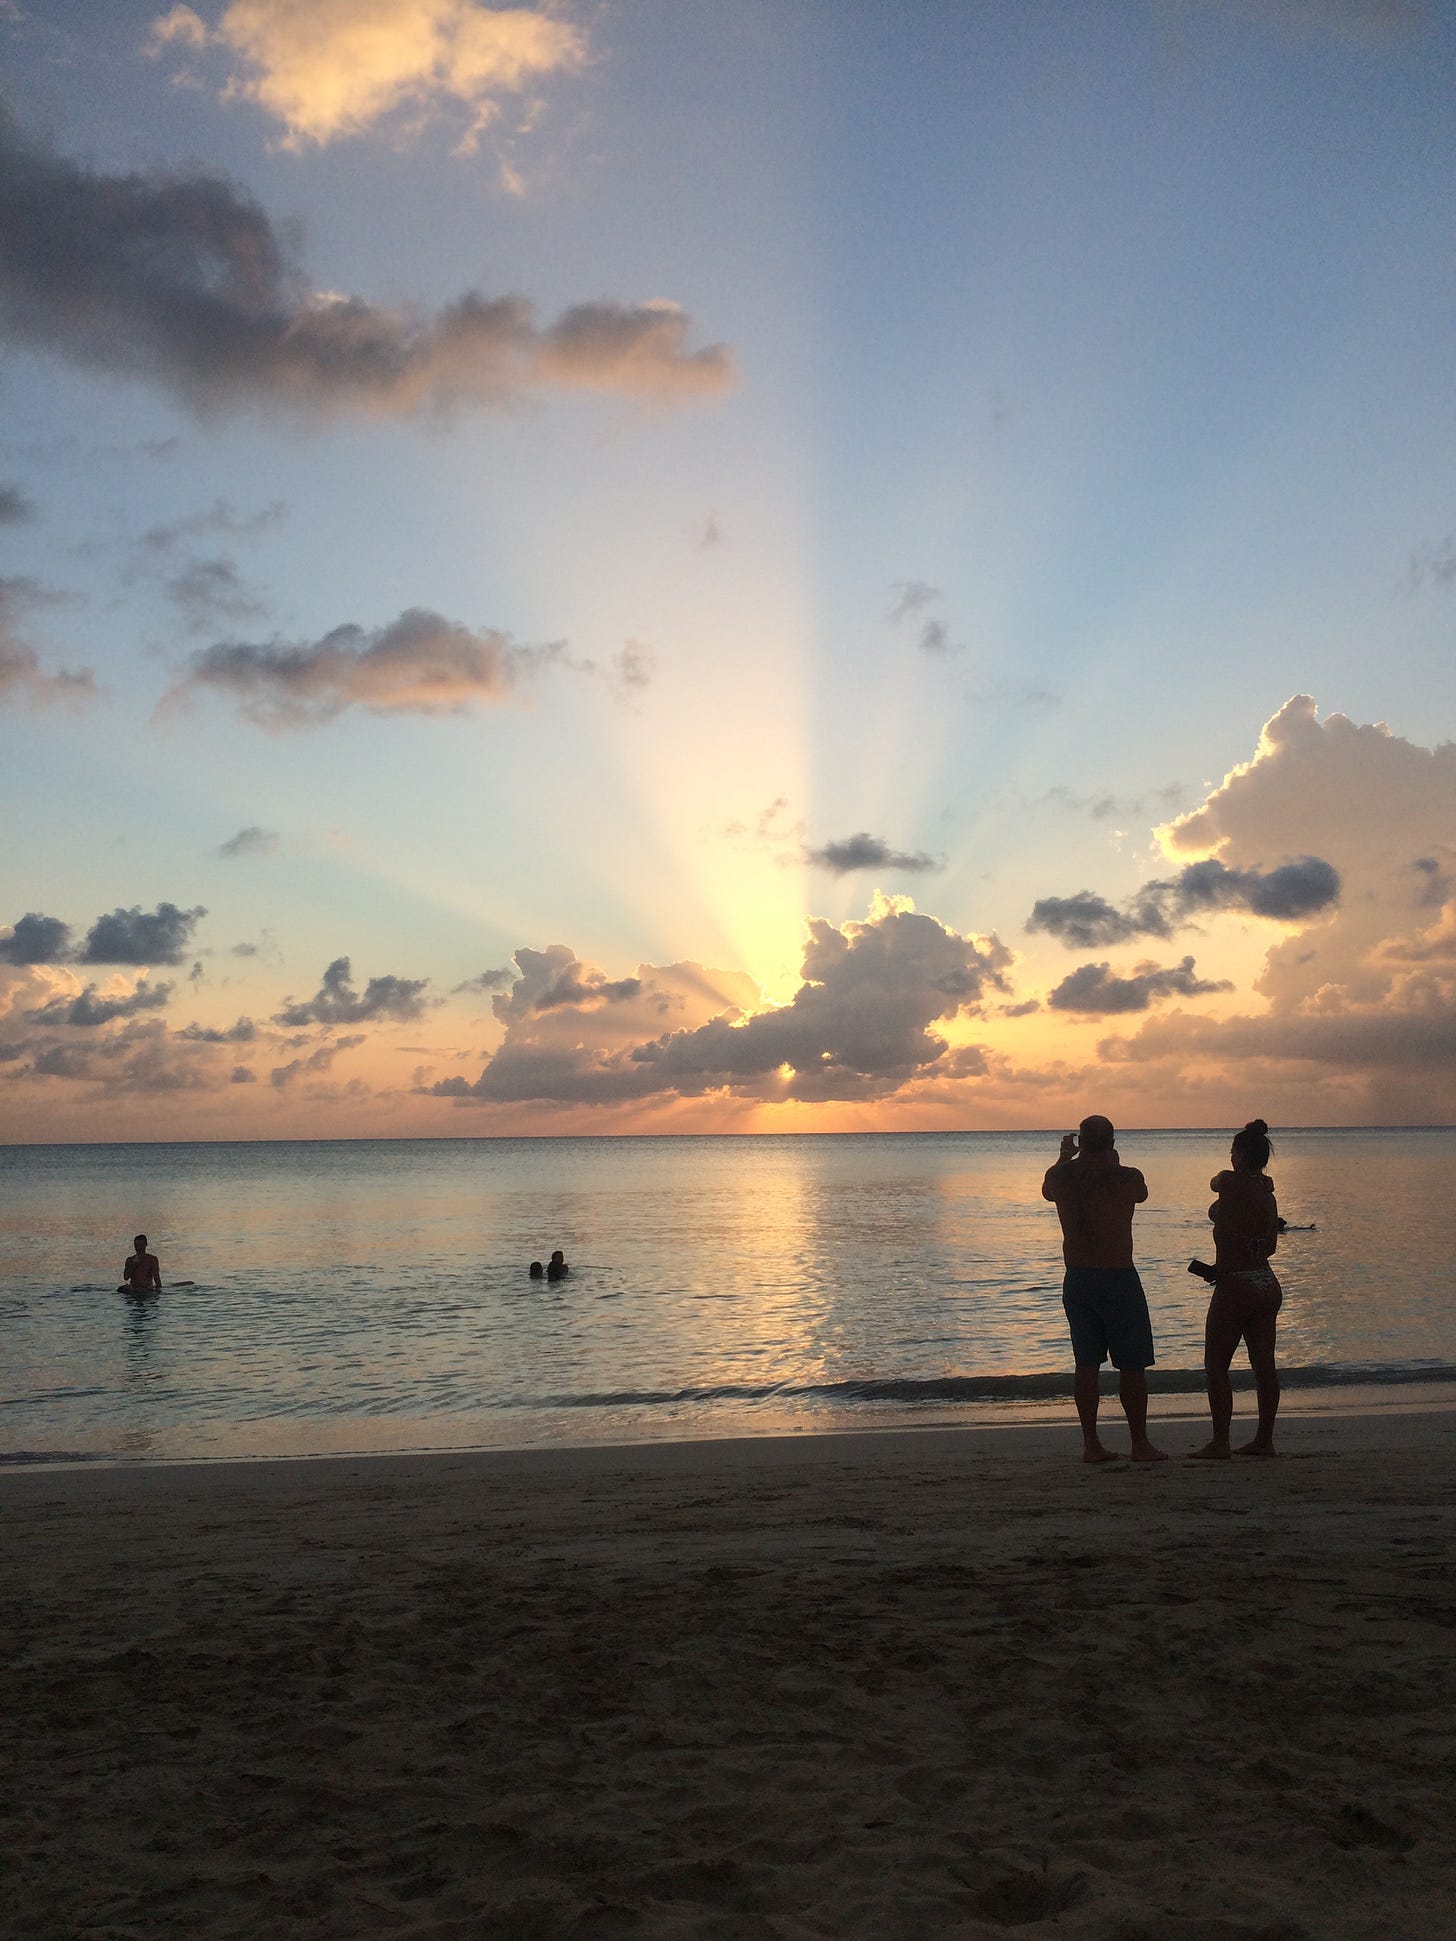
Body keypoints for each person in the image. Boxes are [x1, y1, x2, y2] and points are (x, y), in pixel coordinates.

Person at [1042, 1115, 1167, 1464]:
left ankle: (1091, 1444)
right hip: (1117, 1276)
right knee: (1131, 1365)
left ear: (1080, 1142)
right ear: (1112, 1142)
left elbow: (1047, 1189)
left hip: (1078, 1277)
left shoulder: (1061, 1176)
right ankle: (1139, 1443)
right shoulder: (1127, 1176)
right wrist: (1108, 1159)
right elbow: (1140, 1194)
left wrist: (1066, 1156)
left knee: (1086, 1364)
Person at [1191, 1120, 1282, 1460]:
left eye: (1232, 1152)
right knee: (1264, 1368)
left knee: (1216, 1366)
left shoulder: (1229, 1182)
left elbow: (1216, 1181)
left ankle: (1220, 1442)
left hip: (1236, 1285)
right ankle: (1264, 1439)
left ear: (1240, 1157)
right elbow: (1269, 1246)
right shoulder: (1267, 1193)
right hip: (1266, 1281)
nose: (1229, 1158)